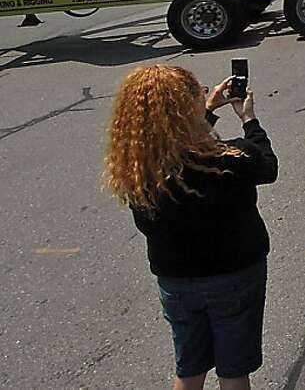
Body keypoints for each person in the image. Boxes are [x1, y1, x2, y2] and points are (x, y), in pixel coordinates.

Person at [103, 66, 277, 390]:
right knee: (233, 370)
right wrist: (249, 120)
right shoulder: (231, 157)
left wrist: (208, 111)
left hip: (177, 281)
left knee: (190, 369)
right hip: (235, 275)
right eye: (200, 93)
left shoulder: (140, 170)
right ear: (186, 109)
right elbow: (267, 166)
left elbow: (181, 152)